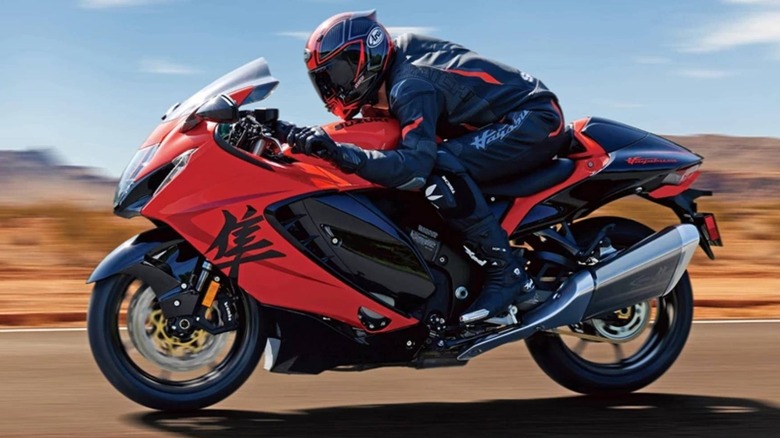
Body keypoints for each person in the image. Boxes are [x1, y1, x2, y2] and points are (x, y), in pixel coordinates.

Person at [277, 10, 566, 324]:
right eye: (325, 80)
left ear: (367, 57)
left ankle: (506, 273)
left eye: (339, 74)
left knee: (436, 166)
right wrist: (286, 134)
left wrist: (343, 155)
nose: (333, 87)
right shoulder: (391, 72)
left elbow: (415, 167)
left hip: (533, 119)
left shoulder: (410, 85)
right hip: (502, 119)